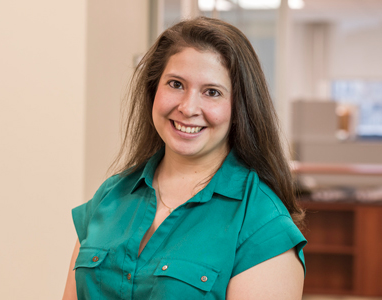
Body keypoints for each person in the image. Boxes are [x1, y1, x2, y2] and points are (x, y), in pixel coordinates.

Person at [62, 16, 306, 300]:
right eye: (176, 84)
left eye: (212, 92)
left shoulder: (261, 223)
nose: (188, 107)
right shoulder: (110, 196)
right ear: (154, 89)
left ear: (239, 108)